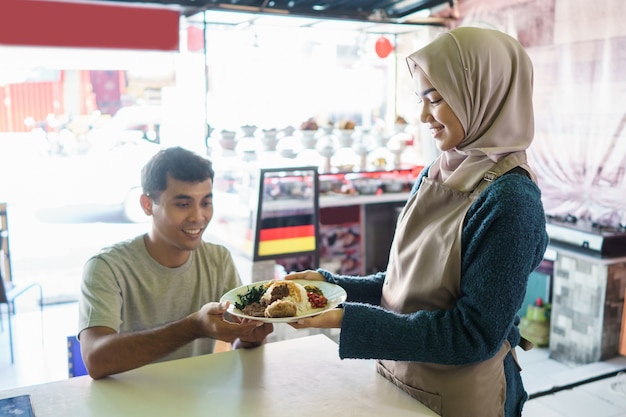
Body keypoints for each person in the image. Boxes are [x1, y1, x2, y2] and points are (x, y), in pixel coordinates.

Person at [286, 27, 549, 417]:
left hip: (461, 399)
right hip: (400, 380)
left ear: (482, 94)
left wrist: (348, 320)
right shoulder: (439, 171)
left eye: (436, 99)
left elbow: (472, 334)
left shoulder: (511, 201)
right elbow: (405, 286)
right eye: (421, 100)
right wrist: (332, 288)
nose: (424, 115)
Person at [78, 146, 273, 379]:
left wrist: (252, 337)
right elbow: (95, 360)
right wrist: (193, 327)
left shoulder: (218, 259)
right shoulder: (107, 267)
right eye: (183, 204)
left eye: (206, 203)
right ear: (147, 205)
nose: (198, 217)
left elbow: (241, 345)